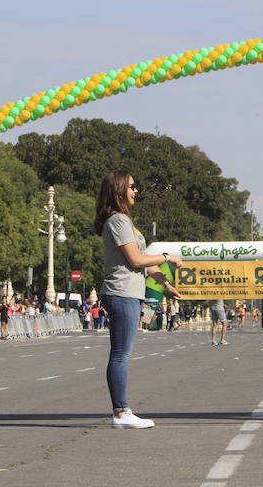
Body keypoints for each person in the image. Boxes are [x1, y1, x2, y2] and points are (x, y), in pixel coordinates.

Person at [94, 170, 183, 429]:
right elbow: (135, 260)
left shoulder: (125, 222)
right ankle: (121, 413)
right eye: (132, 186)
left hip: (129, 293)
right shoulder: (118, 220)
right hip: (121, 292)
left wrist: (166, 284)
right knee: (121, 354)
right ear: (120, 189)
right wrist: (167, 257)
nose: (136, 191)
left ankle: (122, 411)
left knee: (122, 353)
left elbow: (143, 263)